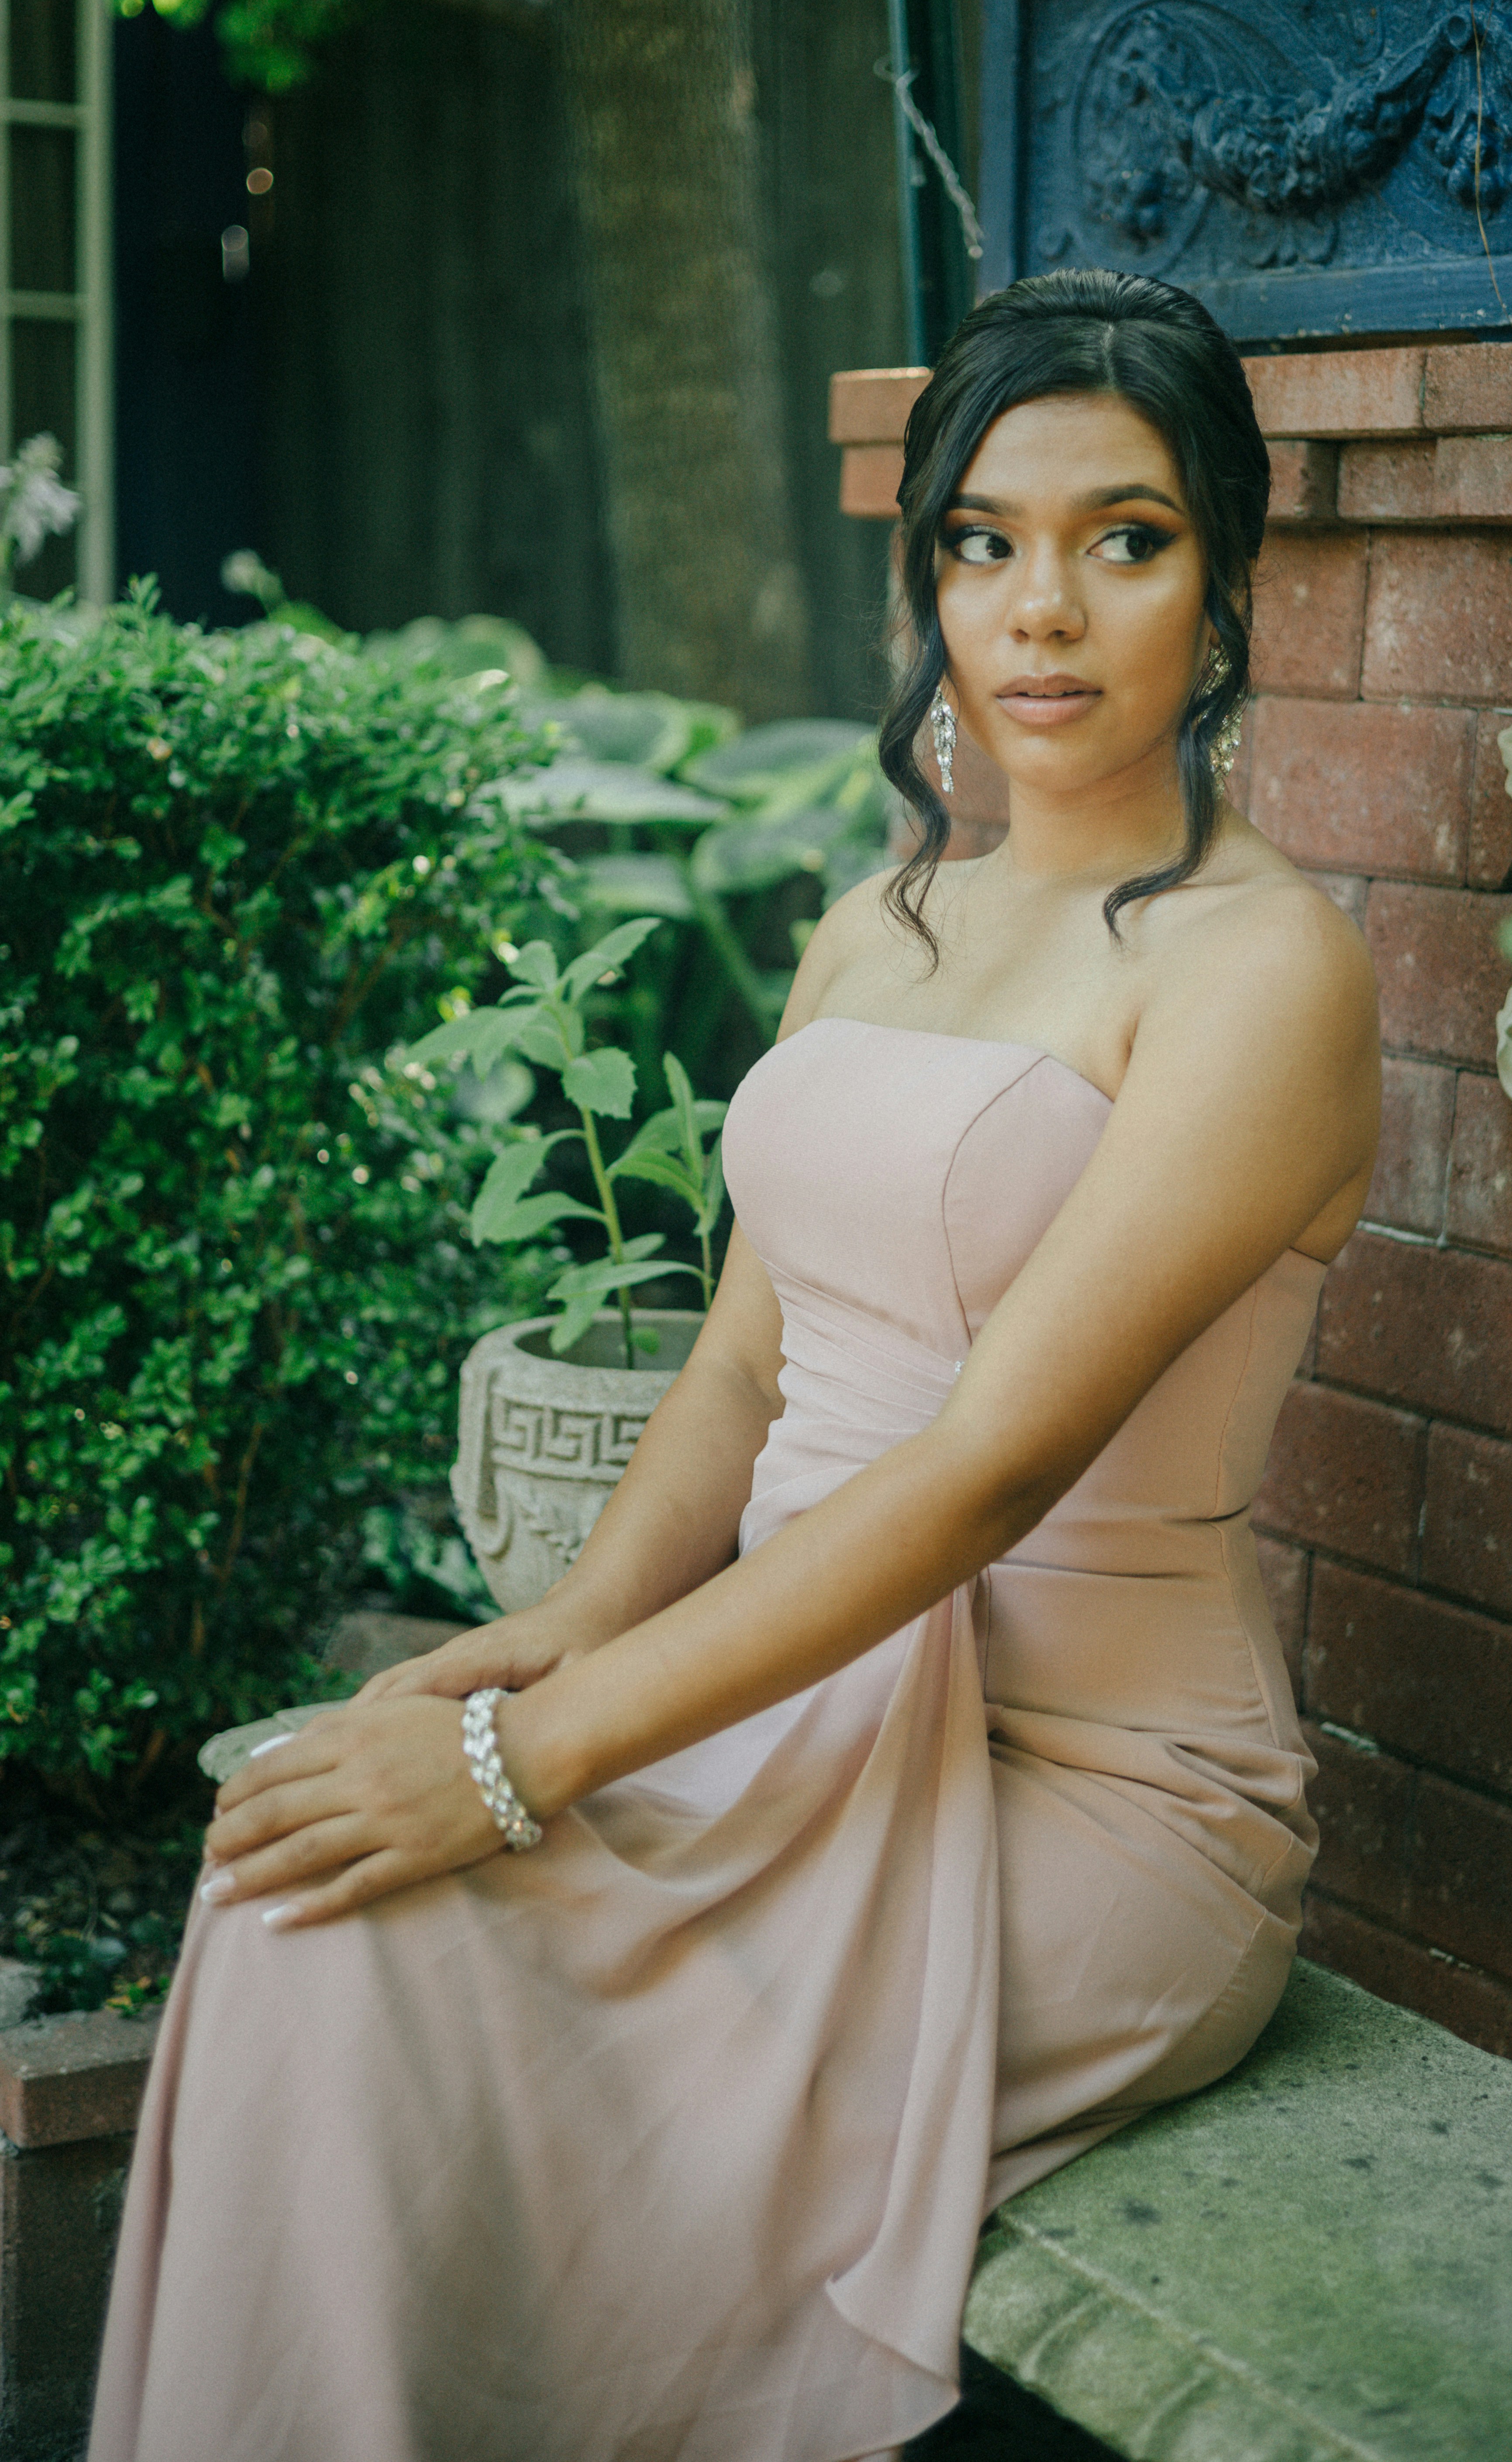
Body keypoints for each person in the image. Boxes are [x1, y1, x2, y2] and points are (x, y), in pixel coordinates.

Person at [90, 268, 1380, 2462]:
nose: (1041, 607)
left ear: (1227, 578)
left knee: (436, 1935)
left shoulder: (1261, 968)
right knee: (296, 1887)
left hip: (1085, 1796)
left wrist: (532, 1762)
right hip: (792, 1704)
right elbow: (736, 1374)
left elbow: (984, 1468)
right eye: (983, 540)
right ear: (928, 579)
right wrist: (556, 1633)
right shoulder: (872, 927)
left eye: (1123, 538)